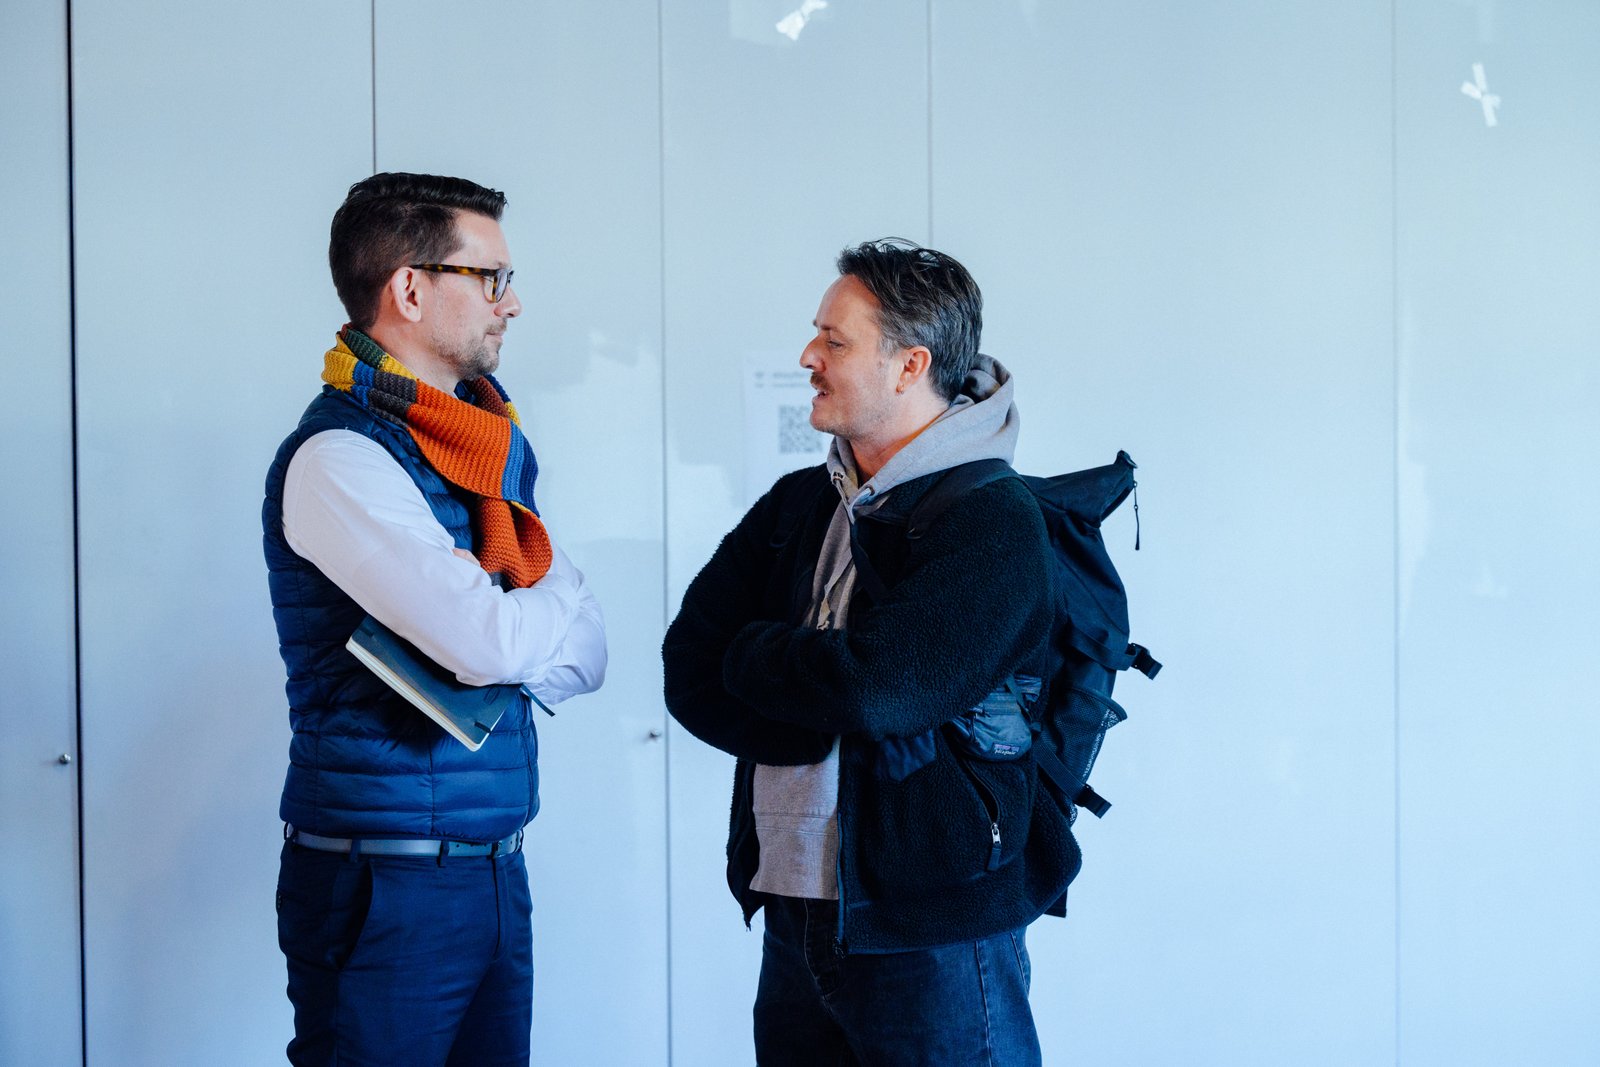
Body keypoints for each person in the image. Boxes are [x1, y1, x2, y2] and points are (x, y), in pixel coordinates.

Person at [663, 239, 1074, 1065]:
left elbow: (880, 690)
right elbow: (689, 669)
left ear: (909, 364)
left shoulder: (991, 520)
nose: (807, 356)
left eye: (834, 340)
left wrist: (763, 656)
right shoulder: (799, 503)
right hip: (794, 909)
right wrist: (819, 699)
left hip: (934, 930)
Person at [262, 172, 606, 1066]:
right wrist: (539, 599)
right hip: (384, 881)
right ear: (409, 290)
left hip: (494, 868)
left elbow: (586, 657)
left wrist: (505, 612)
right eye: (490, 278)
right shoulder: (341, 456)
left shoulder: (485, 452)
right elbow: (490, 644)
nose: (511, 302)